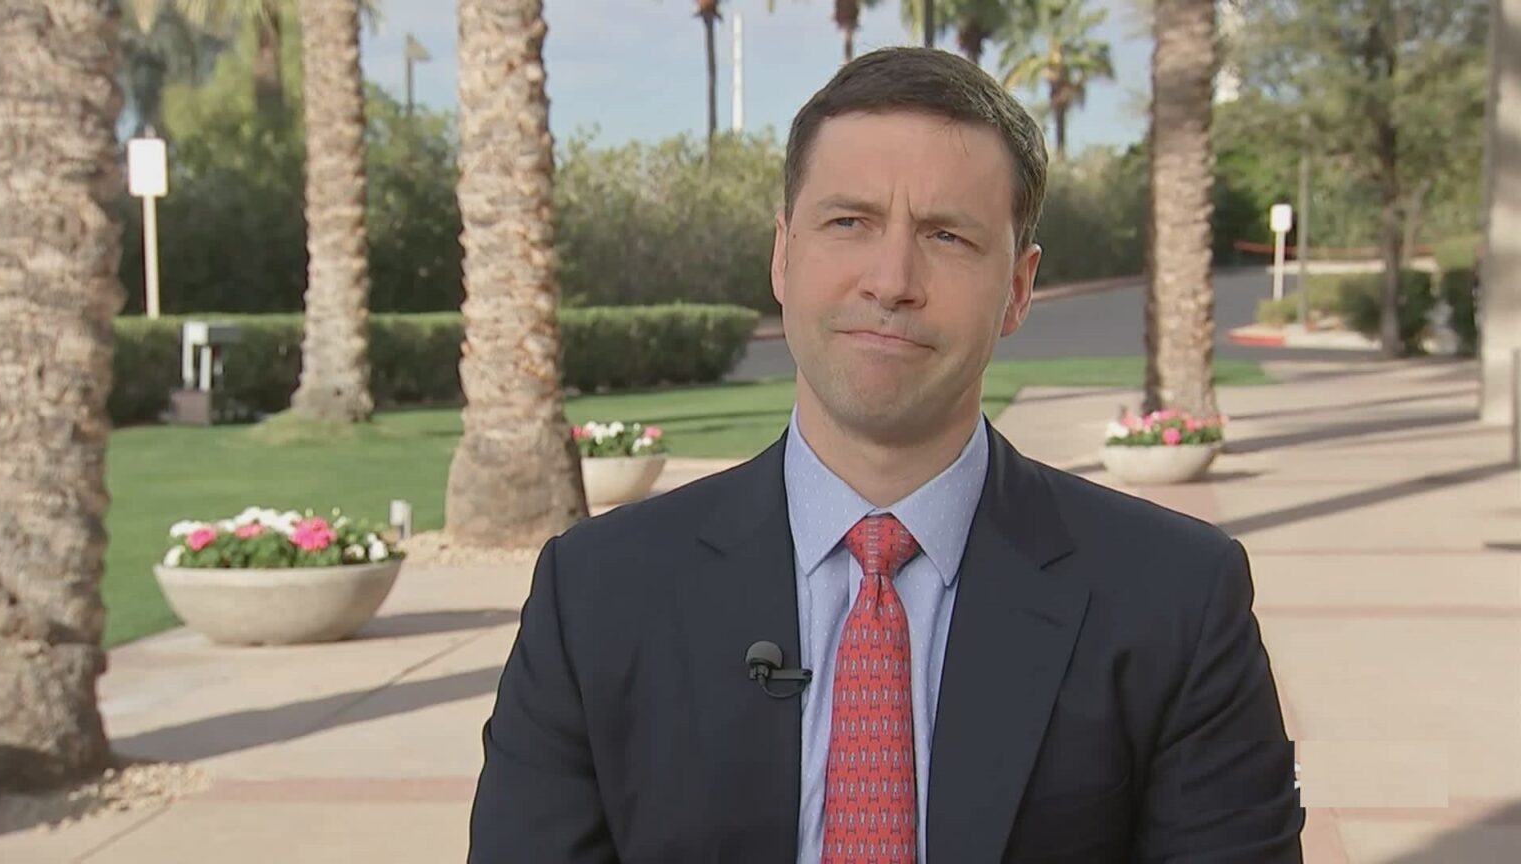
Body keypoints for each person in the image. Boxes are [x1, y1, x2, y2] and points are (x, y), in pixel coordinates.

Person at [468, 47, 1303, 864]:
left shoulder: (1176, 601)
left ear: (1017, 289)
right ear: (782, 256)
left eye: (947, 235)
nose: (892, 278)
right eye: (849, 223)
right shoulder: (595, 598)